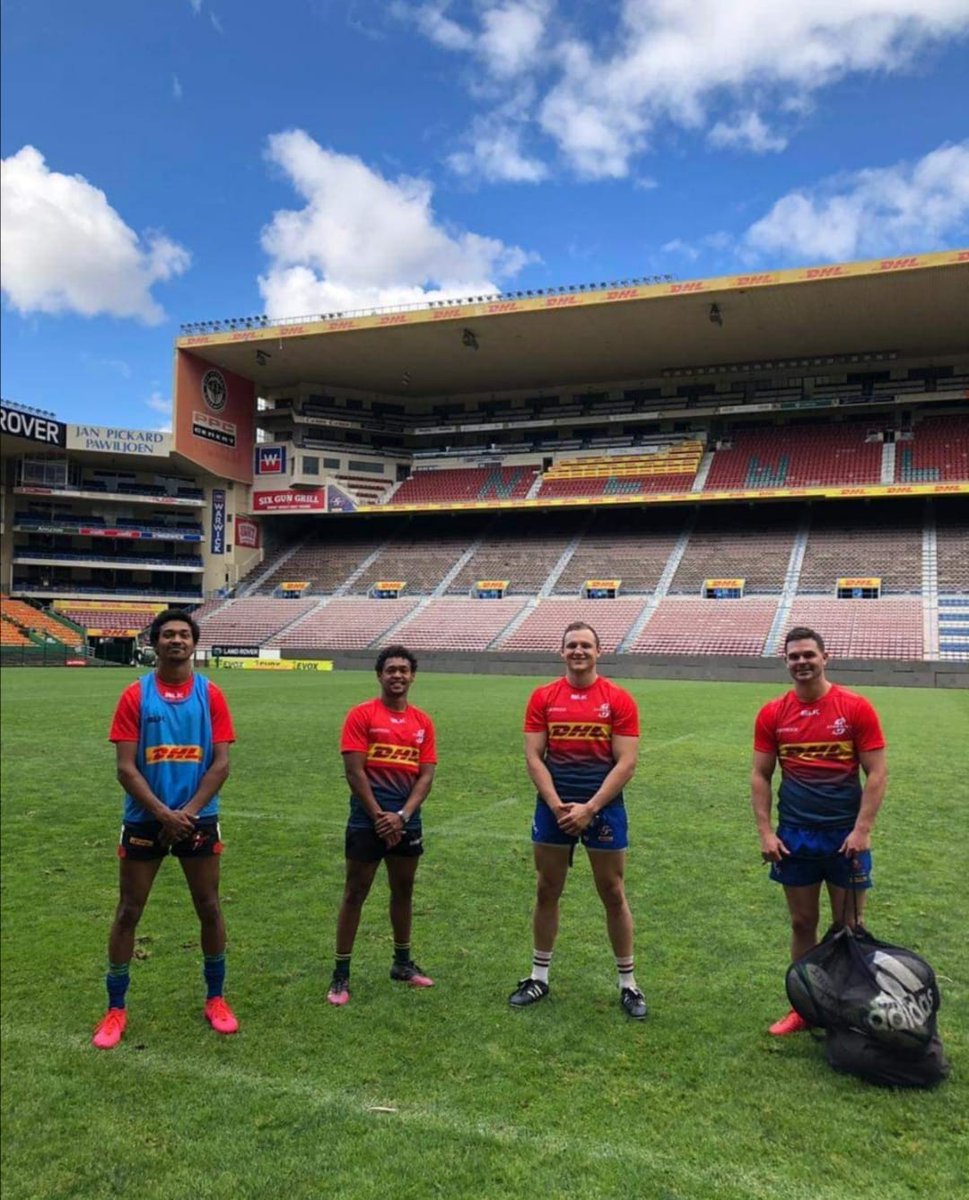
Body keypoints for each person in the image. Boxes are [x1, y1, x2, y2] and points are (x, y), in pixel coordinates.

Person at [91, 609, 238, 1049]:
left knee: (209, 907)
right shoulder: (136, 695)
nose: (176, 640)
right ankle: (116, 1008)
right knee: (129, 911)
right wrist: (162, 814)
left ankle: (216, 998)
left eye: (184, 634)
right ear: (155, 643)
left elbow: (221, 763)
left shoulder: (211, 695)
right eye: (168, 635)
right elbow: (125, 768)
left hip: (197, 817)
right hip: (144, 817)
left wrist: (186, 813)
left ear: (194, 643)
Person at [751, 626, 888, 1036]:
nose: (801, 662)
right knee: (801, 924)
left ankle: (851, 1011)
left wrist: (862, 831)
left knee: (852, 927)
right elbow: (760, 775)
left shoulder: (855, 707)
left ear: (824, 657)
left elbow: (877, 772)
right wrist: (766, 832)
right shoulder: (773, 713)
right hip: (795, 837)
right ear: (786, 662)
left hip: (845, 838)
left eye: (808, 655)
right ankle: (807, 1007)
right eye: (794, 656)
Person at [508, 621, 646, 1019]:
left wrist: (590, 808)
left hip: (603, 808)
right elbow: (534, 756)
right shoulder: (544, 696)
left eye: (586, 645)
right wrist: (556, 806)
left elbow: (627, 762)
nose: (579, 651)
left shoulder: (618, 699)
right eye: (572, 645)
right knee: (547, 888)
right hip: (554, 808)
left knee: (613, 891)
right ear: (562, 651)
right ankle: (538, 976)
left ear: (598, 651)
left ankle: (628, 984)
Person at [327, 645, 437, 1006]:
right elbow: (354, 772)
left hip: (407, 820)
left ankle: (402, 964)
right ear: (379, 675)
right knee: (355, 891)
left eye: (404, 670)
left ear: (413, 676)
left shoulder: (423, 722)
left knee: (403, 890)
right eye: (391, 670)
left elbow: (426, 776)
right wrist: (379, 816)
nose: (398, 676)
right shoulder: (362, 715)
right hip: (366, 818)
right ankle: (341, 974)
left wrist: (402, 817)